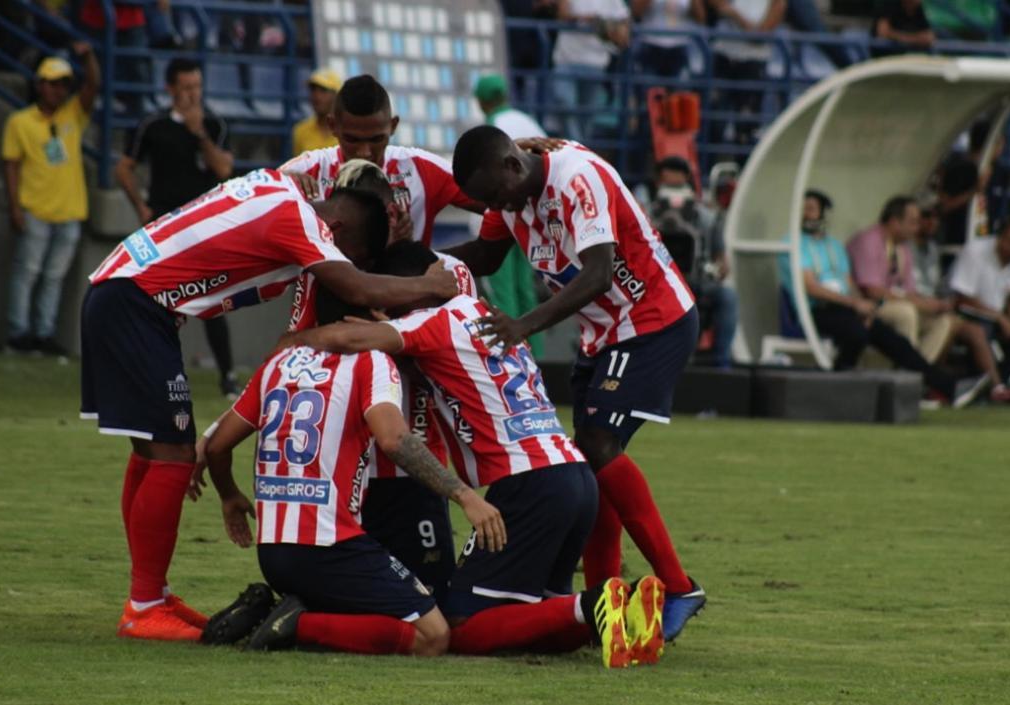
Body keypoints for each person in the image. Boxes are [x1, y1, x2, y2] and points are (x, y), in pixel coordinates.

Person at [80, 174, 458, 641]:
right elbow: (360, 291)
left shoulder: (276, 187)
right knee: (171, 457)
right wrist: (430, 285)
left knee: (153, 452)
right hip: (137, 303)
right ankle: (144, 605)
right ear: (334, 229)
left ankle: (152, 594)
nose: (334, 265)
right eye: (344, 255)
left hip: (129, 295)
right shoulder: (298, 219)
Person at [278, 241, 665, 669]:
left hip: (529, 483)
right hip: (573, 475)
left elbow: (348, 337)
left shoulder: (435, 321)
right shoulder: (485, 317)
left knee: (460, 622)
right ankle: (615, 614)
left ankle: (597, 604)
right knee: (538, 624)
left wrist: (294, 341)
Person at [446, 127, 707, 642]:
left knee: (596, 445)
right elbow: (488, 255)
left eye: (496, 197)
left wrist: (523, 324)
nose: (496, 209)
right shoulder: (511, 186)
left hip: (652, 321)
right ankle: (604, 601)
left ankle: (679, 587)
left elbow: (599, 274)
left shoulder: (574, 180)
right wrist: (416, 263)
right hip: (603, 333)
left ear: (512, 167)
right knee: (591, 464)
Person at [199, 341, 504, 657]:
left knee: (379, 607)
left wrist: (230, 495)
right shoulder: (369, 362)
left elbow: (216, 447)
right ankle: (299, 624)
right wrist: (466, 496)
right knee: (433, 636)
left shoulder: (280, 361)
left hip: (273, 553)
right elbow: (395, 439)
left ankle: (280, 611)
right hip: (331, 547)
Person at [281, 158, 476, 602]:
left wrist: (383, 334)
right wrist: (344, 336)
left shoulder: (444, 273)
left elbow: (450, 349)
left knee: (433, 597)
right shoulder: (323, 275)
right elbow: (290, 346)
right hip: (347, 461)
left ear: (393, 214)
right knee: (357, 591)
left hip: (414, 459)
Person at [115, 58, 240, 397]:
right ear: (170, 89)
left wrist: (198, 133)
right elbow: (124, 168)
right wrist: (141, 206)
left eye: (196, 87)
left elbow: (224, 169)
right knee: (157, 302)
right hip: (164, 228)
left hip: (204, 227)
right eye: (185, 88)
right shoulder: (152, 125)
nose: (191, 95)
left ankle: (227, 375)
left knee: (214, 302)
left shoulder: (213, 124)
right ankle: (151, 373)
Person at [777, 190, 958, 402]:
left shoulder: (833, 245)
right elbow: (811, 287)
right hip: (815, 310)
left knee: (895, 342)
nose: (804, 214)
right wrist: (855, 303)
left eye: (811, 209)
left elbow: (849, 282)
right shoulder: (791, 242)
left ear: (823, 213)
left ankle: (943, 385)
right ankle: (841, 379)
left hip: (845, 308)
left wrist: (862, 304)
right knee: (858, 332)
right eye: (802, 209)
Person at [280, 74, 482, 246]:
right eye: (352, 139)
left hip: (408, 289)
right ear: (333, 126)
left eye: (376, 139)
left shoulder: (422, 169)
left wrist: (463, 257)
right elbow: (251, 199)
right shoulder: (307, 170)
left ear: (392, 126)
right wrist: (279, 186)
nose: (365, 152)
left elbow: (499, 204)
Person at [1, 47, 100, 355]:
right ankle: (18, 333)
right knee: (27, 273)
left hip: (69, 211)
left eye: (64, 84)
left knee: (53, 277)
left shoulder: (72, 114)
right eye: (54, 83)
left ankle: (43, 334)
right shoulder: (20, 121)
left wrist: (88, 58)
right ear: (39, 84)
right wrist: (15, 207)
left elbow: (93, 86)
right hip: (36, 209)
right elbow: (11, 166)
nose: (59, 90)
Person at [473, 74, 547, 359]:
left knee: (501, 292)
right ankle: (536, 361)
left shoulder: (492, 127)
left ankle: (513, 362)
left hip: (505, 213)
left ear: (481, 100)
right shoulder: (528, 121)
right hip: (532, 213)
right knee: (525, 290)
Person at [649, 157, 737, 369]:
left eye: (676, 172)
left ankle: (721, 365)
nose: (671, 177)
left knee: (727, 297)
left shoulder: (707, 218)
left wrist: (716, 270)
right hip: (657, 284)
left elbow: (722, 261)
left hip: (697, 281)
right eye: (666, 173)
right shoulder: (647, 215)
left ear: (686, 177)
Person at [847, 196, 954, 364]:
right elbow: (872, 291)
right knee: (906, 312)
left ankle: (919, 372)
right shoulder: (868, 240)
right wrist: (917, 303)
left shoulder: (903, 247)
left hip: (892, 302)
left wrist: (931, 304)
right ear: (894, 222)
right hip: (865, 304)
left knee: (941, 321)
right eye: (913, 222)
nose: (917, 228)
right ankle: (908, 368)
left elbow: (909, 290)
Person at [947, 213, 1010, 403]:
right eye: (1005, 239)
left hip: (999, 313)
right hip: (967, 312)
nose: (1007, 246)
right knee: (982, 331)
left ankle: (996, 383)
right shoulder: (976, 251)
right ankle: (996, 388)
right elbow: (962, 297)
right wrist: (1000, 318)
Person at [551, 0, 631, 143]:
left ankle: (576, 152)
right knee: (564, 103)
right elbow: (562, 14)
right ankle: (577, 148)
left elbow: (624, 37)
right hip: (566, 59)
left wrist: (608, 29)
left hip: (595, 64)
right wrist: (587, 19)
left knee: (585, 121)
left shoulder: (615, 3)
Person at [709, 0, 787, 145]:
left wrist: (734, 15)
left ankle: (742, 166)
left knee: (746, 130)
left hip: (753, 65)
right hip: (723, 58)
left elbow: (761, 36)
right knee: (713, 125)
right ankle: (709, 166)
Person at [937, 121, 996, 245]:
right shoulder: (960, 167)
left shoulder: (993, 169)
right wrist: (975, 190)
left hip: (979, 239)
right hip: (956, 240)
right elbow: (944, 206)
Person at [632, 0, 707, 78]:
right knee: (647, 87)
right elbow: (636, 12)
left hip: (680, 47)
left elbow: (701, 19)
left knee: (680, 88)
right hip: (650, 45)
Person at [291, 68, 341, 156]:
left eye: (323, 90)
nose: (317, 96)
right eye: (313, 90)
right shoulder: (300, 131)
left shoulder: (348, 131)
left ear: (336, 95)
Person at [870, 0, 935, 57]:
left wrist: (901, 37)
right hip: (881, 55)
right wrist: (915, 39)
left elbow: (929, 38)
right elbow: (883, 33)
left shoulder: (918, 8)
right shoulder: (890, 3)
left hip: (906, 56)